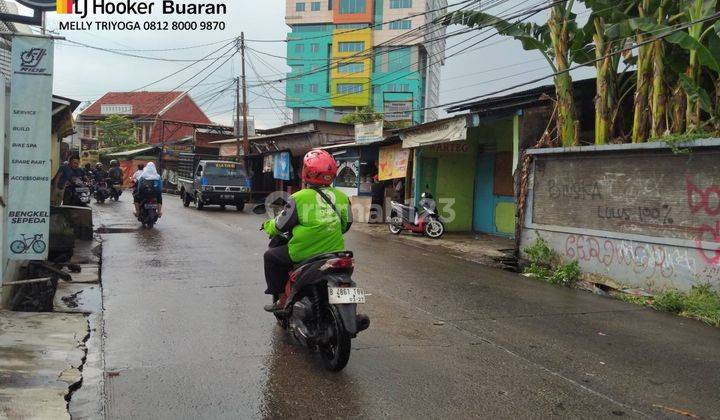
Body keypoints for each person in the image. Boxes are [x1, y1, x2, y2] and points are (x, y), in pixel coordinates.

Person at [262, 149, 352, 313]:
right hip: (336, 253)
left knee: (270, 257)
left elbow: (281, 225)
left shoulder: (299, 197)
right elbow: (346, 225)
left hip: (305, 252)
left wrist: (267, 225)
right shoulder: (342, 197)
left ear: (307, 172)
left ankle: (282, 300)